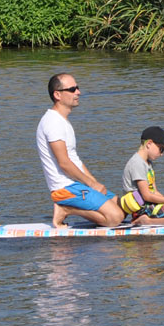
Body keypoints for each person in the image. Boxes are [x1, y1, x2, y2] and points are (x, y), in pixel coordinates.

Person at [36, 73, 125, 228]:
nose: (78, 92)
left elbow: (75, 160)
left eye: (77, 87)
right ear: (57, 95)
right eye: (72, 89)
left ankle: (74, 207)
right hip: (64, 188)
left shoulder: (62, 121)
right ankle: (66, 208)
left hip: (76, 185)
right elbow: (64, 163)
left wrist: (95, 184)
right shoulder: (53, 123)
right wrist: (91, 184)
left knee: (121, 208)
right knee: (115, 218)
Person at [118, 126, 164, 226]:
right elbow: (147, 196)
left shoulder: (148, 163)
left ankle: (154, 218)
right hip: (142, 207)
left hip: (150, 203)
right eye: (161, 149)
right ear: (149, 144)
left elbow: (154, 191)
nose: (162, 154)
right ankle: (144, 220)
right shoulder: (137, 164)